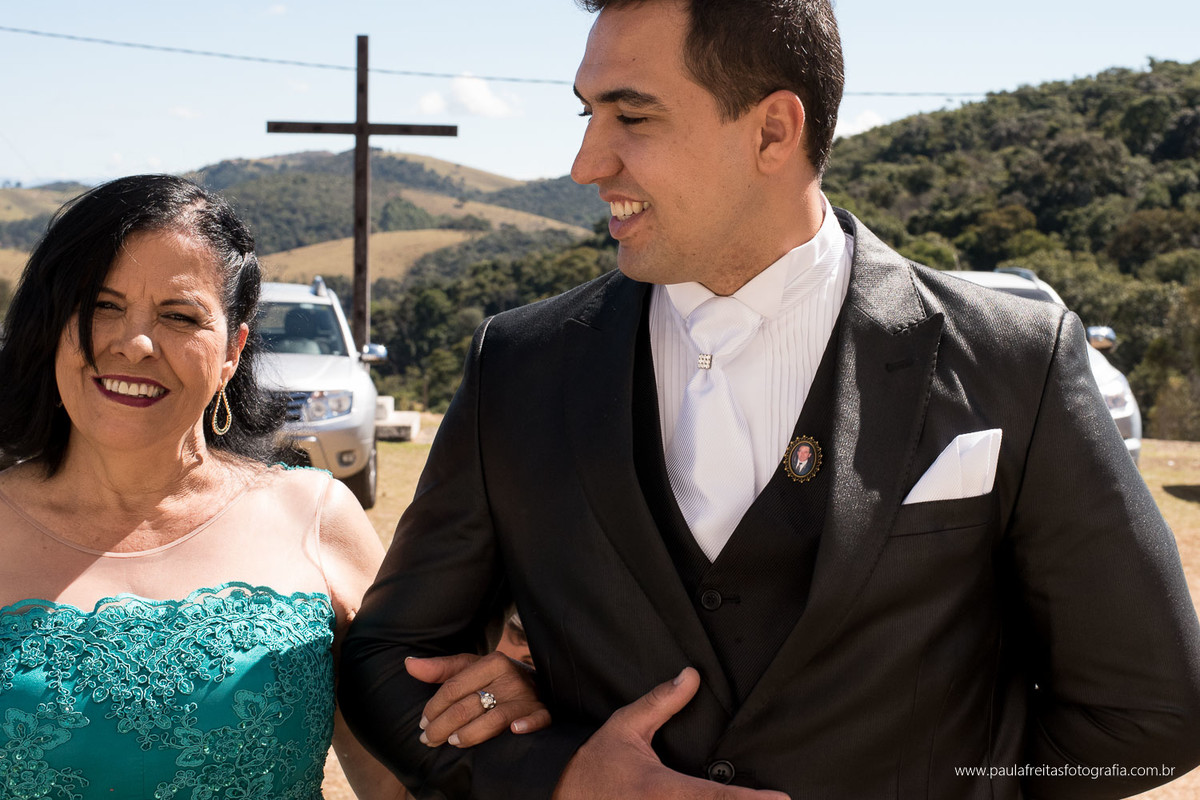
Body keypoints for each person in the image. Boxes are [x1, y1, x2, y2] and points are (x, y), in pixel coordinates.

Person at [340, 0, 1200, 797]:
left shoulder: (1016, 361)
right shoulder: (521, 366)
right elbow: (388, 660)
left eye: (631, 117)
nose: (585, 163)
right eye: (587, 114)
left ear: (774, 130)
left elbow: (1152, 715)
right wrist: (561, 775)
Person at [0, 174, 541, 799]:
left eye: (180, 316)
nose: (137, 343)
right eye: (100, 305)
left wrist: (497, 706)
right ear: (51, 322)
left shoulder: (314, 516)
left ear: (233, 349)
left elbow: (411, 778)